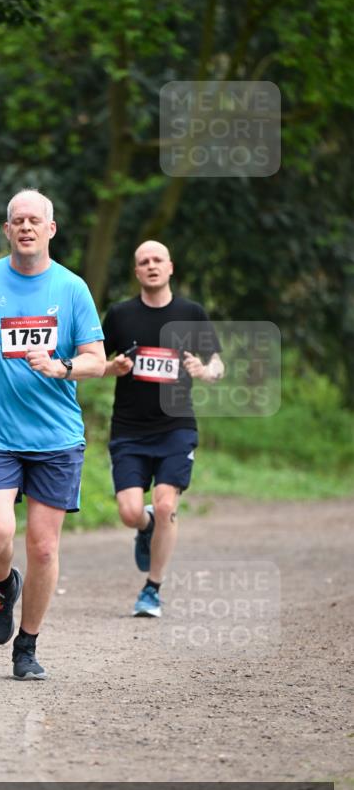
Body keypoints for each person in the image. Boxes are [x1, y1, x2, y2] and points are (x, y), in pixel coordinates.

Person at [0, 189, 106, 679]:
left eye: (35, 220)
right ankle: (2, 585)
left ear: (51, 229)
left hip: (55, 436)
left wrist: (61, 368)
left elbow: (96, 361)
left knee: (43, 547)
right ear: (8, 230)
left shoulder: (72, 289)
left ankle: (27, 646)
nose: (27, 227)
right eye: (18, 221)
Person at [102, 240, 224, 617]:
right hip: (128, 428)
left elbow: (217, 362)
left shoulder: (191, 313)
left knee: (169, 502)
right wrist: (112, 368)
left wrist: (206, 372)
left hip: (176, 426)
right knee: (128, 512)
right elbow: (95, 361)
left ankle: (152, 589)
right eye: (144, 261)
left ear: (170, 267)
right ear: (136, 271)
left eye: (158, 260)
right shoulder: (120, 315)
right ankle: (146, 523)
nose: (151, 266)